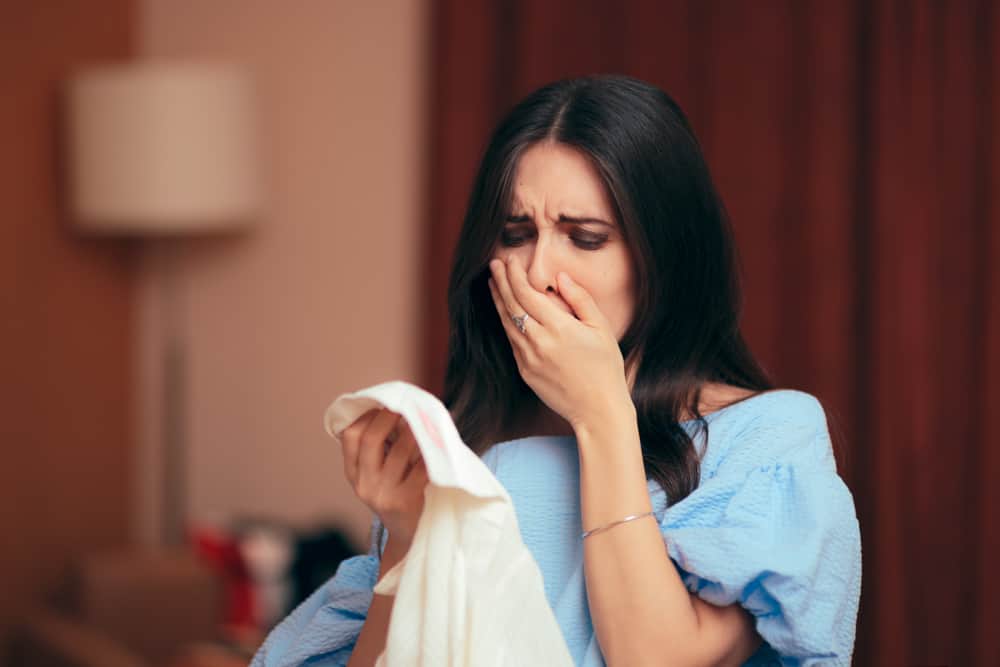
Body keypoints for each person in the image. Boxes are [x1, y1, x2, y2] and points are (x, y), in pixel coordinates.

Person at [251, 75, 862, 667]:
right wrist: (408, 544)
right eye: (516, 234)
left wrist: (600, 413)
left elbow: (657, 659)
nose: (538, 271)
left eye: (585, 237)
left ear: (663, 257)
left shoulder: (766, 437)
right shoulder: (465, 443)